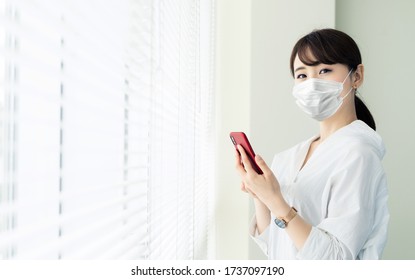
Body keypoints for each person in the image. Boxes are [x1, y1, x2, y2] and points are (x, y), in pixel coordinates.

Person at [235, 28, 389, 259]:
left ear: (356, 76)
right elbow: (276, 245)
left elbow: (335, 258)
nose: (312, 83)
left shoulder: (359, 154)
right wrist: (261, 195)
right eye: (302, 75)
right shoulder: (289, 157)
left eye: (325, 70)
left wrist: (277, 201)